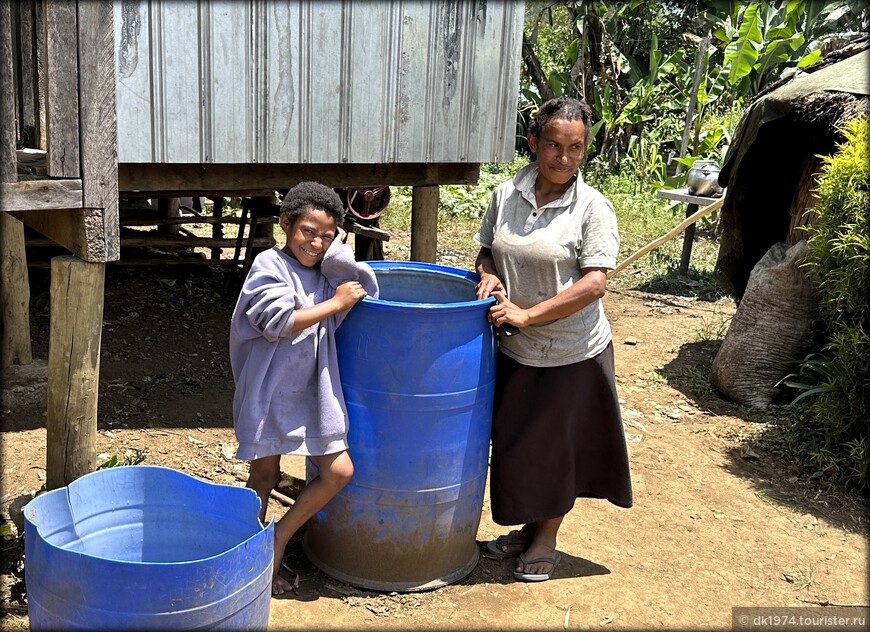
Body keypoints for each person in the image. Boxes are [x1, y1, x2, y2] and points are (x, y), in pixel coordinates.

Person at [473, 96, 632, 582]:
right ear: (534, 143)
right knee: (521, 445)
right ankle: (526, 529)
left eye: (575, 148)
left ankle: (546, 539)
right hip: (518, 348)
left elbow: (594, 283)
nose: (564, 157)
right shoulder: (505, 195)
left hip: (572, 353)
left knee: (559, 451)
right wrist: (490, 278)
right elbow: (487, 252)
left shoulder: (592, 207)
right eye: (554, 145)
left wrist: (529, 313)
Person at [229, 181, 379, 595]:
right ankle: (248, 561)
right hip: (269, 390)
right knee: (264, 474)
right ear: (285, 224)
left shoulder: (324, 271)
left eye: (326, 236)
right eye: (306, 232)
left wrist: (336, 251)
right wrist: (335, 304)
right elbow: (277, 321)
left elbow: (364, 283)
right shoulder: (268, 266)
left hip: (314, 391)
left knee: (339, 470)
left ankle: (278, 537)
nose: (314, 243)